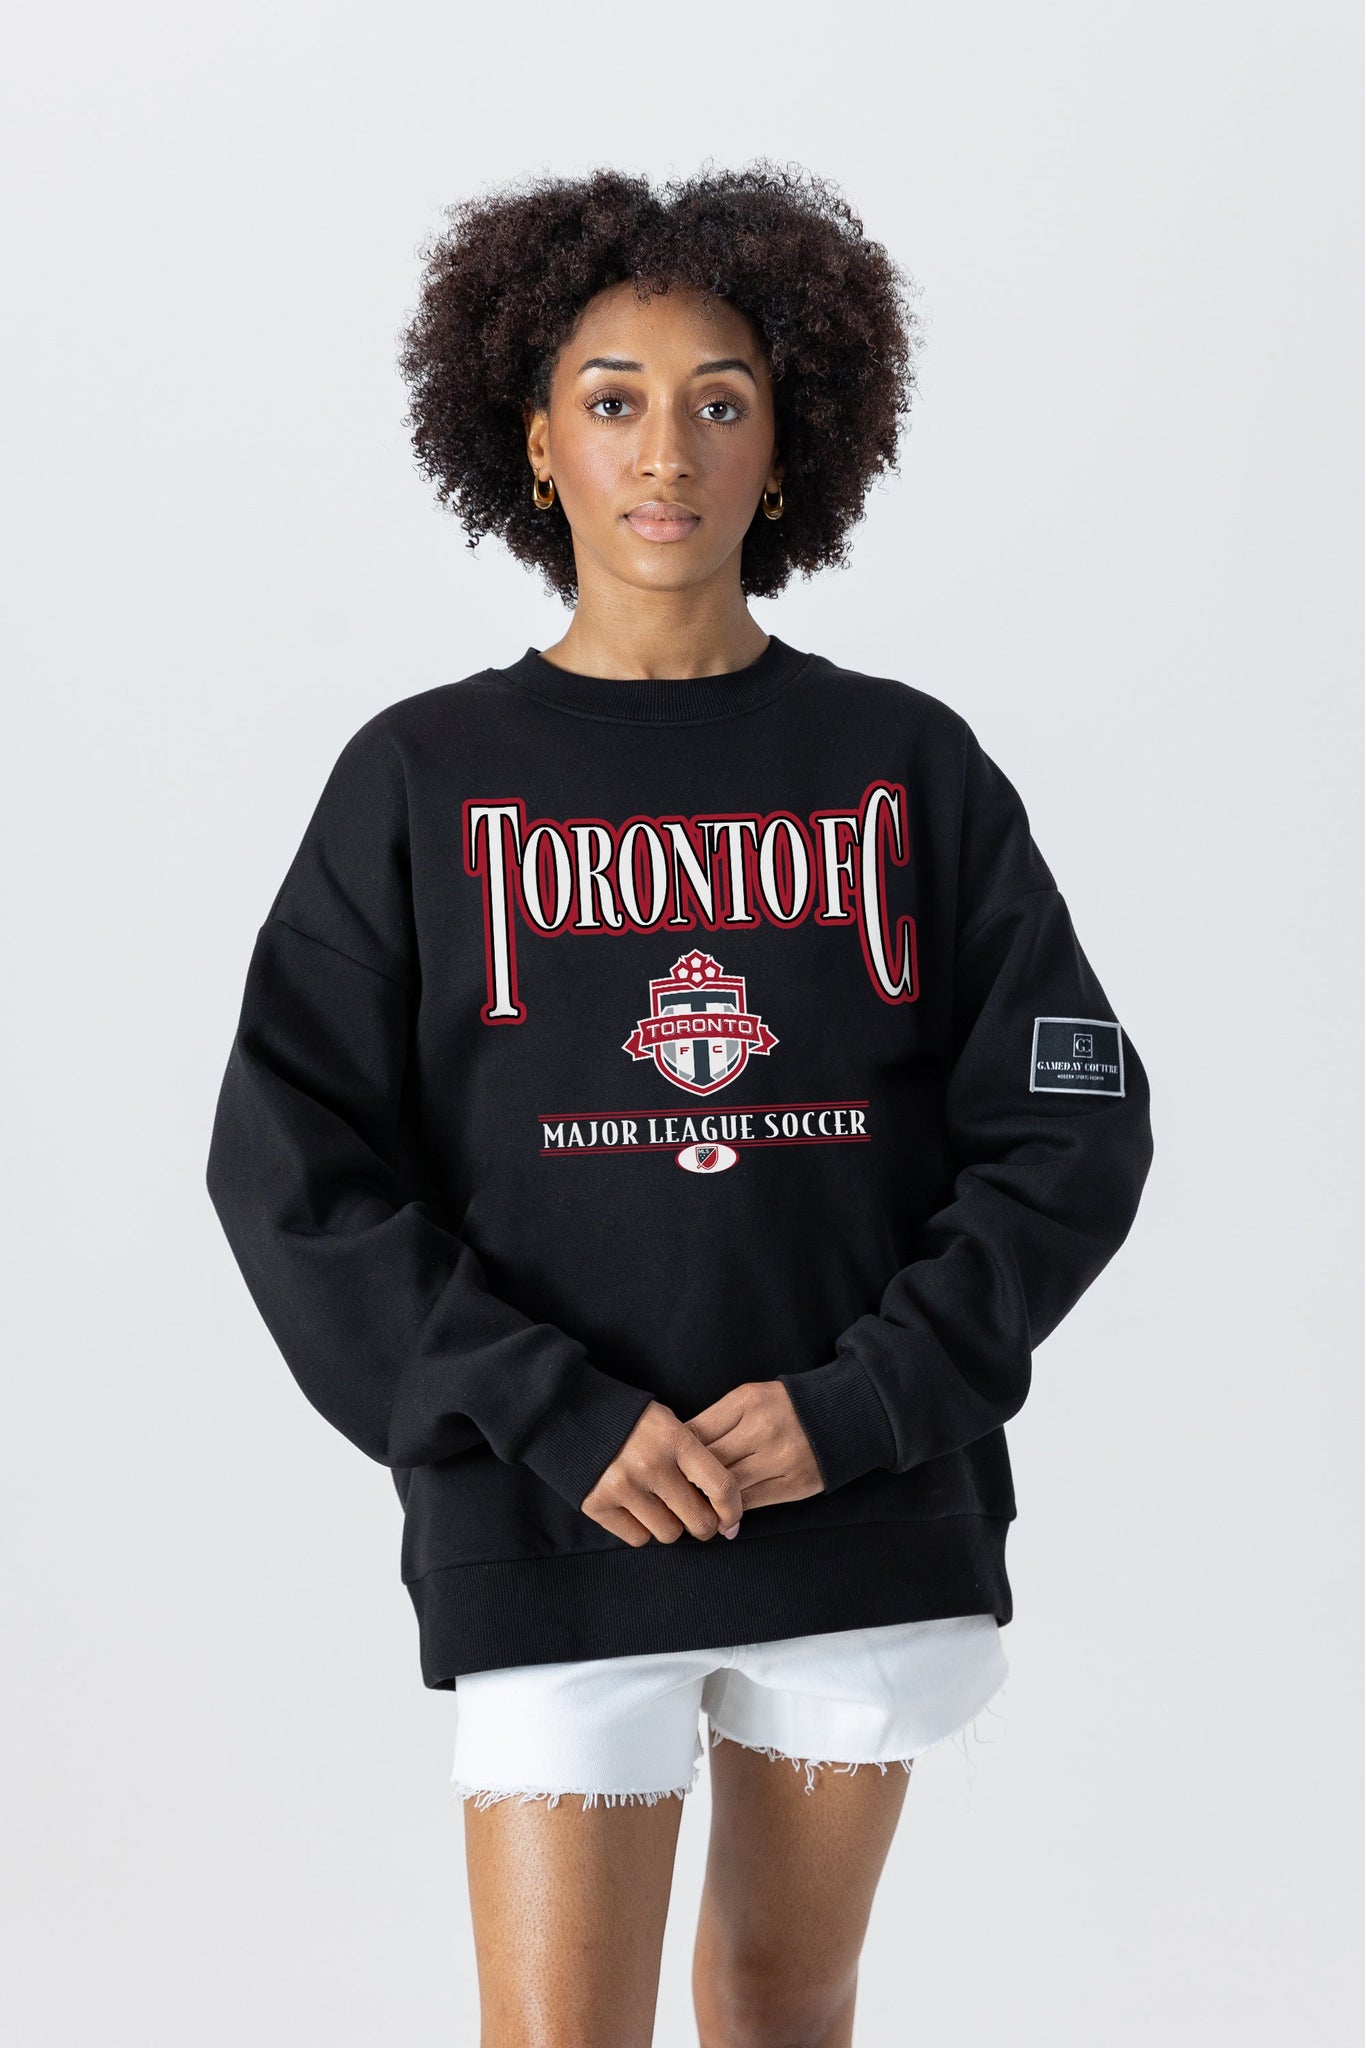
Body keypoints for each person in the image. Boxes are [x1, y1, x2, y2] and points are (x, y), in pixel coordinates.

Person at [205, 161, 1154, 2047]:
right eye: (612, 399)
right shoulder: (422, 777)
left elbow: (1072, 1122)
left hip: (859, 1502)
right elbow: (291, 1165)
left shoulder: (905, 764)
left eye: (722, 400)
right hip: (553, 1508)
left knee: (785, 2001)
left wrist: (860, 1406)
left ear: (789, 447)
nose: (666, 451)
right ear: (531, 442)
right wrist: (550, 1413)